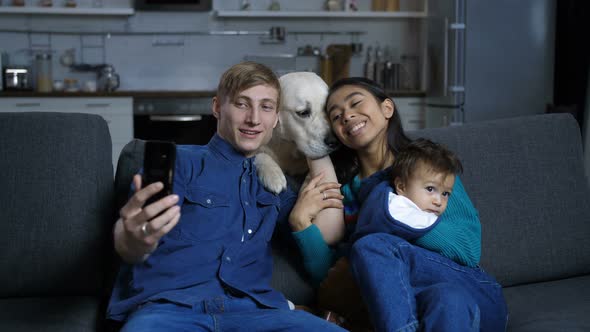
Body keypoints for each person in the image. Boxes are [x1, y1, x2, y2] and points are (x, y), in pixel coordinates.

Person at [106, 61, 347, 332]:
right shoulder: (181, 163)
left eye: (266, 107)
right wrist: (134, 237)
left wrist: (318, 143)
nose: (254, 118)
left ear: (276, 119)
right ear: (217, 107)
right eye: (242, 104)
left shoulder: (275, 183)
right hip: (170, 311)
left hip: (257, 313)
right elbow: (131, 241)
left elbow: (328, 231)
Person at [288, 77, 508, 331]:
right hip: (426, 307)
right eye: (336, 116)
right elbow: (331, 280)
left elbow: (467, 249)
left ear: (387, 109)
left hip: (475, 293)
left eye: (356, 103)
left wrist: (389, 216)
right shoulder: (347, 193)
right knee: (446, 299)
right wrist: (300, 223)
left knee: (371, 245)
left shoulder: (430, 168)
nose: (347, 116)